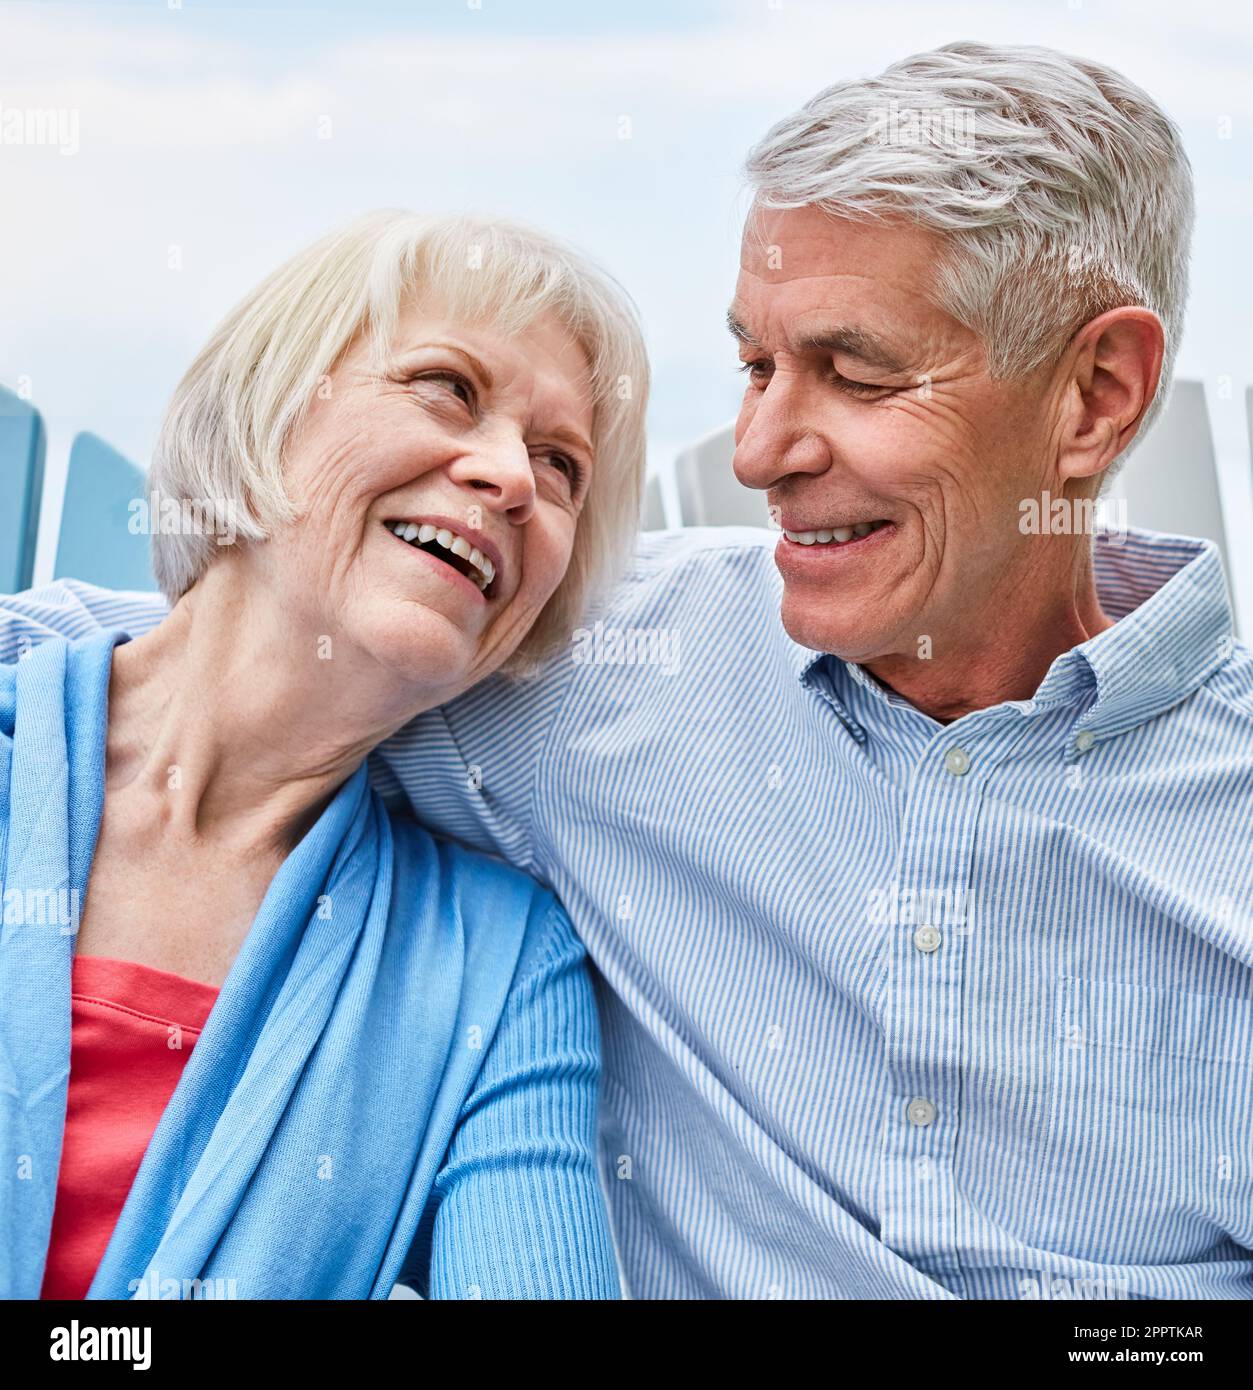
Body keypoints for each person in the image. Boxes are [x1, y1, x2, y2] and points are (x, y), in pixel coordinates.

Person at [6, 41, 1252, 1300]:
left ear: (1093, 396)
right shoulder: (589, 671)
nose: (758, 451)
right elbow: (236, 652)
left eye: (855, 372)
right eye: (756, 368)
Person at [0, 209, 649, 1300]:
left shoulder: (498, 965)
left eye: (560, 465)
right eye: (448, 387)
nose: (511, 480)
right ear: (264, 404)